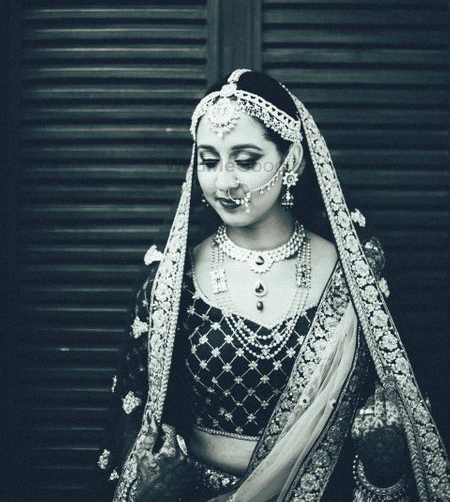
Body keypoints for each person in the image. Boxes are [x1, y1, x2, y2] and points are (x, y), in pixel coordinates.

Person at [91, 69, 448, 501]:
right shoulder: (171, 282)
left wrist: (383, 471)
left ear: (291, 161)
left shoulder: (354, 275)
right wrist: (150, 489)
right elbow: (135, 426)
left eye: (245, 160)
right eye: (208, 160)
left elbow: (387, 429)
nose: (224, 181)